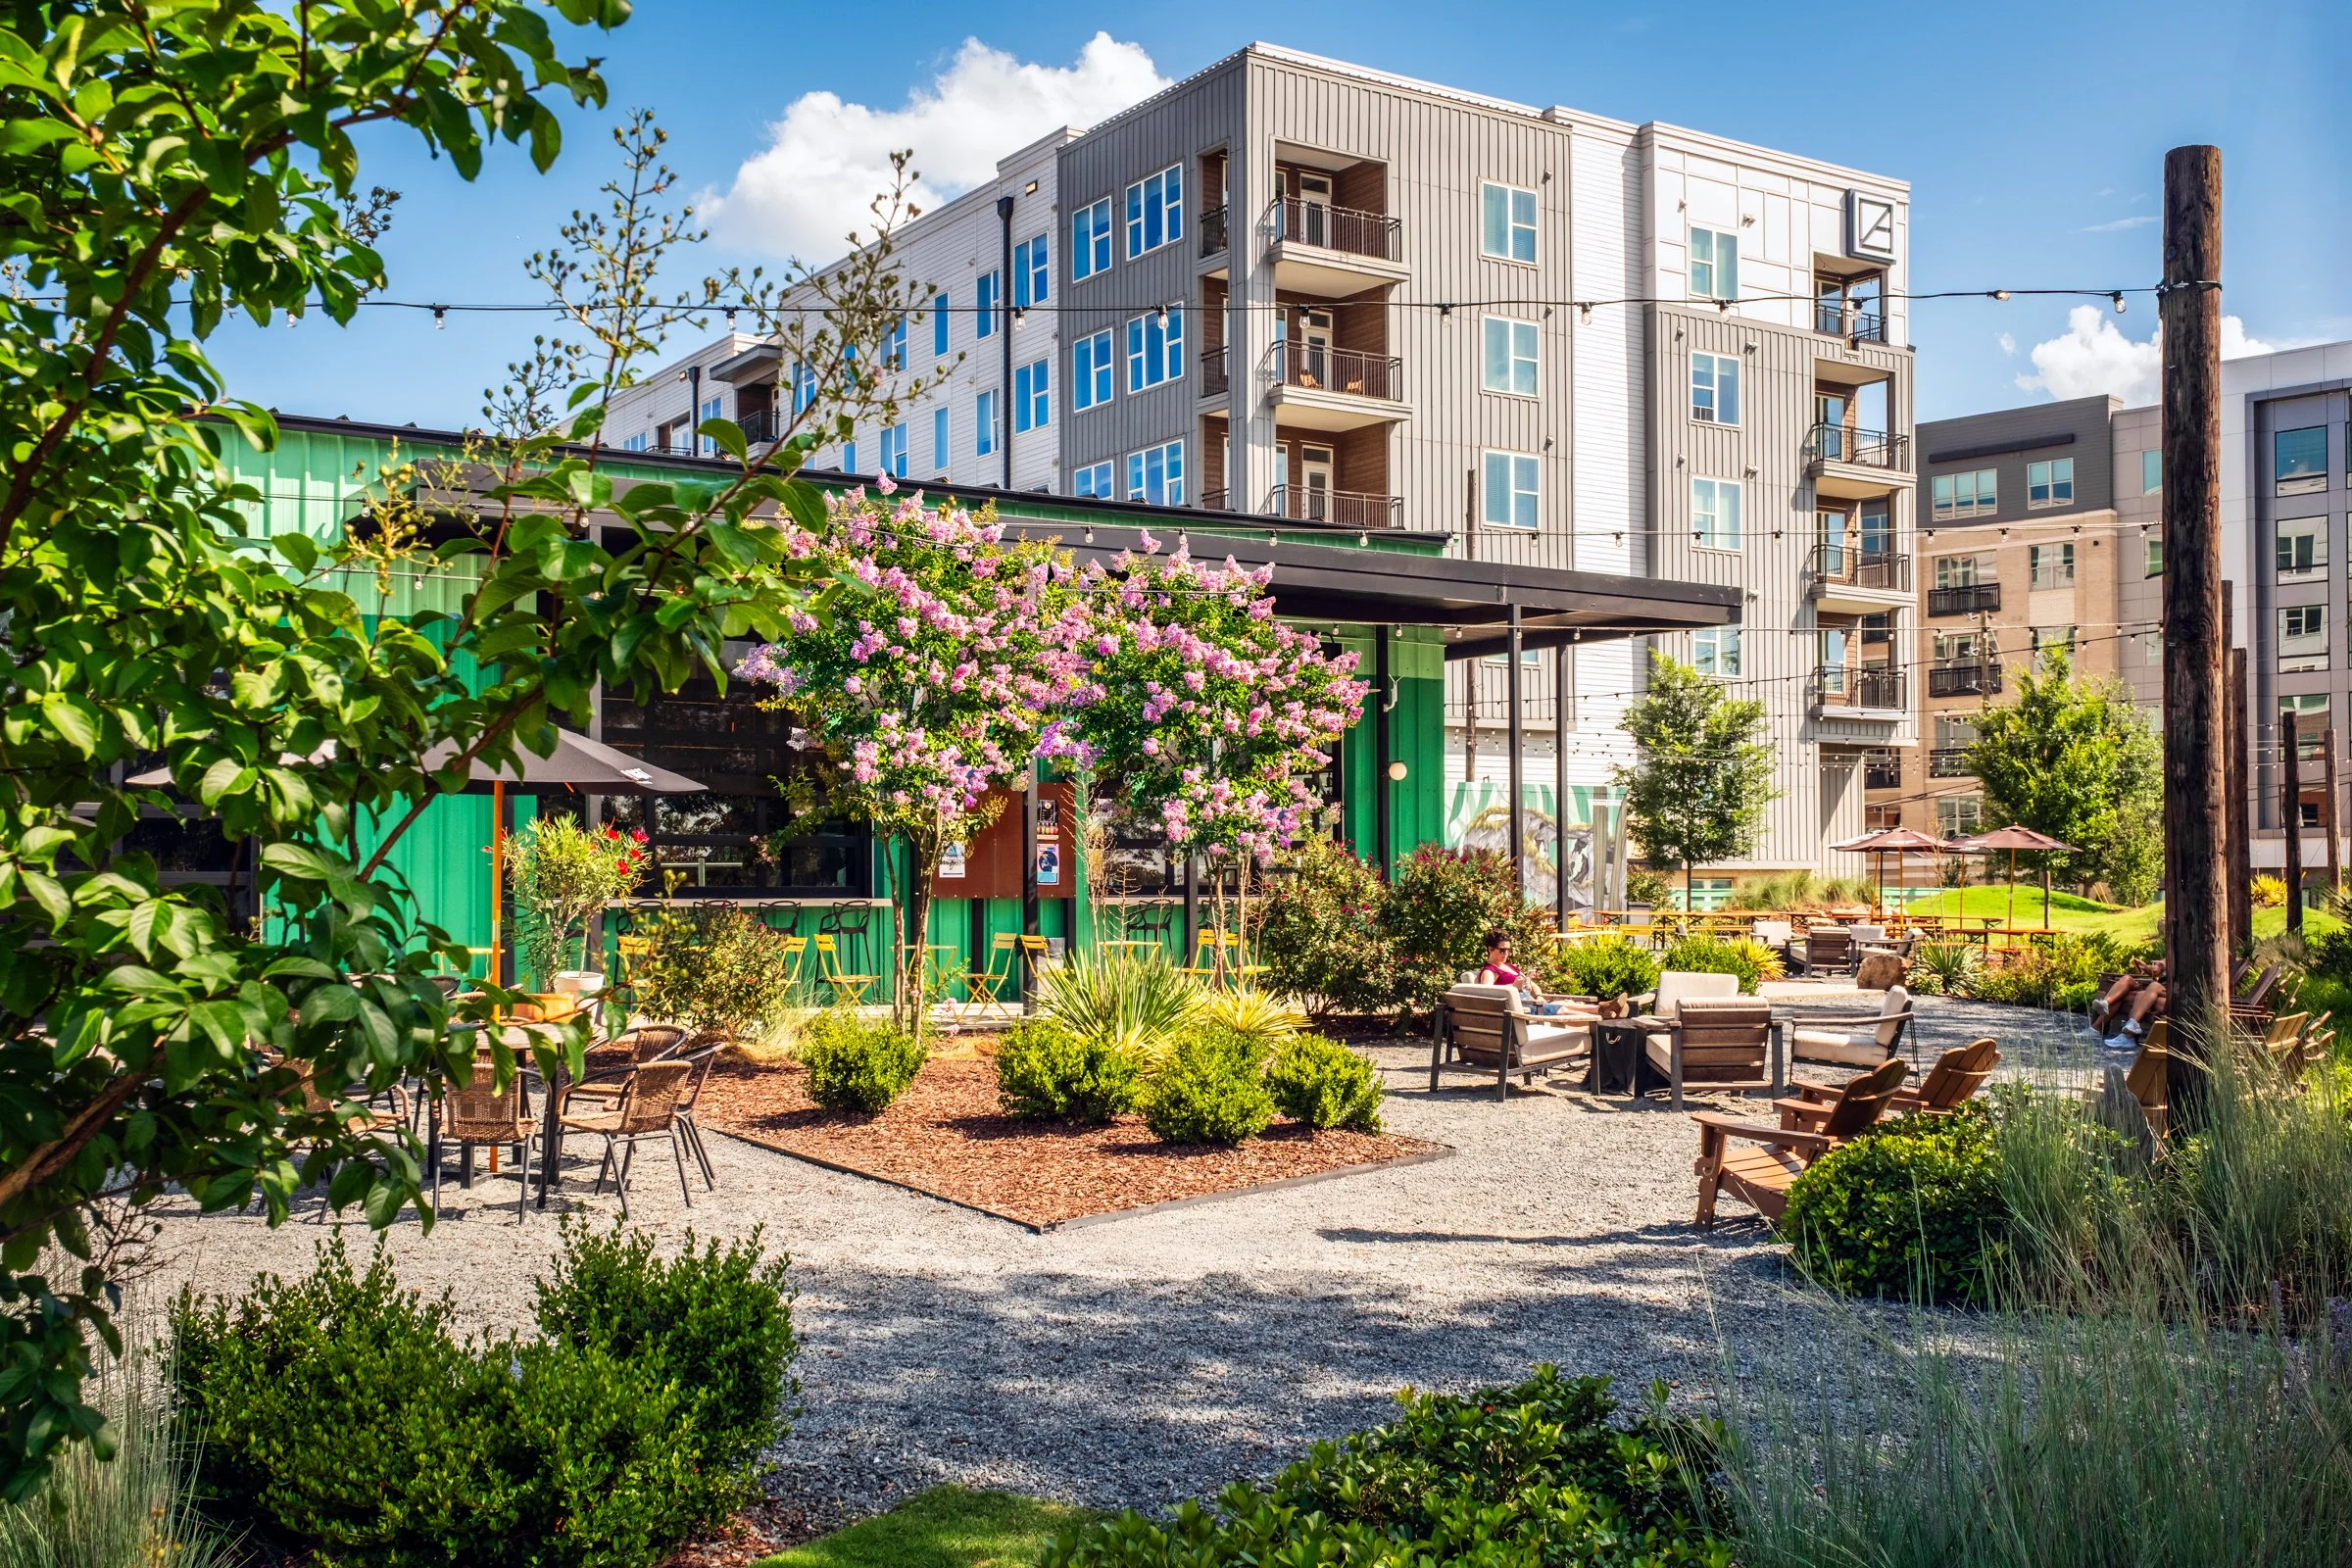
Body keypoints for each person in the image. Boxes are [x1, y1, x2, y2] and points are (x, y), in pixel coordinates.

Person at [1476, 930, 1590, 1016]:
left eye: (1508, 950)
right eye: (1502, 950)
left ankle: (1601, 1011)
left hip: (1532, 1002)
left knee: (1567, 1003)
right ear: (1490, 949)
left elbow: (1533, 985)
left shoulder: (1510, 967)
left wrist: (1539, 996)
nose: (1506, 954)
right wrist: (1513, 987)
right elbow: (1486, 993)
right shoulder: (1490, 970)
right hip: (1522, 1007)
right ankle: (1597, 1022)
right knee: (1563, 1009)